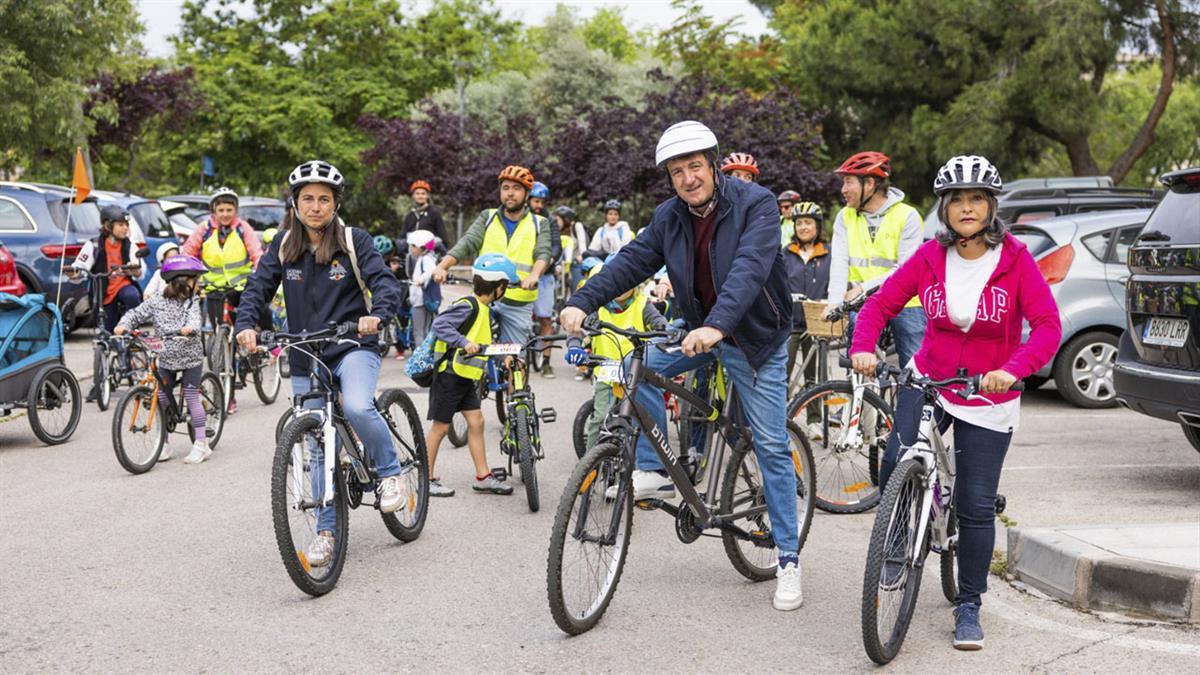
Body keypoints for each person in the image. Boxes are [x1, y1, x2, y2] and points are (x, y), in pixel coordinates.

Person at [560, 120, 803, 612]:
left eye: (695, 166)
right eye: (677, 171)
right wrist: (582, 301)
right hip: (697, 331)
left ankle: (788, 557)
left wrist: (718, 326)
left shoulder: (755, 204)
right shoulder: (670, 217)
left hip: (754, 337)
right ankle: (655, 467)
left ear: (713, 165)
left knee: (772, 444)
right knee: (639, 362)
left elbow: (750, 269)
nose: (688, 178)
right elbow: (631, 261)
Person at [850, 155, 1060, 651]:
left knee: (975, 504)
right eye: (957, 200)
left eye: (977, 199)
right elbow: (882, 302)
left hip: (989, 391)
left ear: (991, 207)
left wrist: (1013, 368)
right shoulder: (929, 257)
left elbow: (1048, 327)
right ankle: (898, 542)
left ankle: (969, 604)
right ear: (944, 209)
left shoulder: (1015, 260)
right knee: (895, 462)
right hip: (931, 375)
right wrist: (863, 345)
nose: (967, 207)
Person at [235, 160, 406, 568]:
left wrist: (377, 314)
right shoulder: (283, 245)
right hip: (305, 352)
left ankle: (390, 471)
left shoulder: (353, 240)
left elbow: (385, 283)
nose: (315, 207)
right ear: (294, 203)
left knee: (360, 406)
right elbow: (257, 287)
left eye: (323, 199)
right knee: (314, 445)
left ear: (335, 203)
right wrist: (245, 325)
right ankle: (325, 532)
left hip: (352, 344)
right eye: (307, 199)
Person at [423, 253, 518, 498]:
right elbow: (440, 325)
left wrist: (503, 356)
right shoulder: (469, 305)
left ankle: (483, 477)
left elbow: (486, 343)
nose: (505, 290)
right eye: (505, 286)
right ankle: (426, 478)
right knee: (440, 429)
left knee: (476, 422)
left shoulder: (485, 310)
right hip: (449, 375)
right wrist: (463, 342)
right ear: (498, 287)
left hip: (465, 377)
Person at [822, 151, 926, 369]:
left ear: (869, 183)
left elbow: (905, 270)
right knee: (858, 363)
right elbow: (839, 261)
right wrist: (834, 303)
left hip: (905, 301)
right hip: (863, 304)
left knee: (916, 372)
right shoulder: (845, 216)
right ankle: (861, 401)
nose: (843, 190)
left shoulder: (907, 216)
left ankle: (914, 399)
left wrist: (862, 288)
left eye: (848, 182)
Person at [431, 166, 553, 345]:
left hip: (518, 300)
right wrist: (443, 266)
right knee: (468, 349)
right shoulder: (487, 217)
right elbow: (467, 243)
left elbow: (543, 252)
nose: (510, 193)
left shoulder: (539, 223)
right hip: (484, 297)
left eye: (516, 189)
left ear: (527, 194)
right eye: (506, 188)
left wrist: (535, 275)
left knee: (513, 358)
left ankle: (514, 371)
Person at [115, 254, 210, 463]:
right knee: (163, 399)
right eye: (196, 279)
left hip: (189, 357)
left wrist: (190, 328)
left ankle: (202, 443)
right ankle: (163, 442)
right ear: (185, 281)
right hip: (166, 356)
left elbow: (195, 319)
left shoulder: (192, 301)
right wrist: (124, 325)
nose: (198, 283)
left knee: (192, 396)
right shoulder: (157, 300)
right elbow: (136, 313)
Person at [564, 259, 667, 451]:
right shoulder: (597, 307)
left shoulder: (643, 305)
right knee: (600, 418)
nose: (621, 286)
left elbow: (659, 324)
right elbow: (576, 330)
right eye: (616, 280)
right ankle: (590, 464)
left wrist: (664, 332)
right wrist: (575, 347)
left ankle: (648, 462)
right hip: (607, 373)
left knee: (645, 419)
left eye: (626, 280)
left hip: (637, 373)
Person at [180, 186, 265, 415]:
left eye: (229, 209)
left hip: (240, 288)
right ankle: (227, 394)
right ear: (213, 211)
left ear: (235, 210)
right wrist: (184, 274)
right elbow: (188, 252)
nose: (225, 214)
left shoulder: (242, 229)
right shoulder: (204, 230)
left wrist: (261, 276)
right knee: (220, 338)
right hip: (214, 288)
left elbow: (256, 254)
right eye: (221, 209)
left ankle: (254, 345)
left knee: (243, 327)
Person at [71, 204, 144, 333]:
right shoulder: (93, 245)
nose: (125, 228)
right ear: (107, 226)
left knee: (132, 295)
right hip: (103, 292)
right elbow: (81, 265)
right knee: (107, 333)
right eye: (121, 225)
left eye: (127, 225)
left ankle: (133, 329)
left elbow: (141, 270)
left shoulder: (130, 246)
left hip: (123, 287)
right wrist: (75, 273)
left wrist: (135, 270)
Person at [783, 202, 831, 381]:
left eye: (808, 222)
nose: (803, 227)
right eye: (799, 223)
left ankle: (815, 410)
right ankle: (782, 409)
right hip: (791, 324)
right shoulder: (786, 253)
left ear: (817, 225)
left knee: (815, 378)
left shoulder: (829, 253)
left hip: (818, 323)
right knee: (783, 375)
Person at [529, 181, 562, 379]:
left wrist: (548, 260)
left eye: (541, 202)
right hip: (522, 275)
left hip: (545, 276)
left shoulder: (549, 220)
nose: (538, 205)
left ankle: (547, 362)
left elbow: (556, 245)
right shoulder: (521, 219)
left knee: (546, 319)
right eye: (535, 201)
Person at [407, 229, 440, 348]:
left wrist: (419, 280)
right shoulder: (426, 258)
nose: (411, 249)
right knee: (425, 331)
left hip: (420, 301)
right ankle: (426, 359)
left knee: (418, 333)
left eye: (413, 246)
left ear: (421, 247)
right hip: (423, 300)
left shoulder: (426, 259)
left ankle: (420, 360)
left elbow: (430, 271)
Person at [400, 180, 448, 244]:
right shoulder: (410, 216)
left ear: (427, 196)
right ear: (413, 196)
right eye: (417, 194)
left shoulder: (434, 213)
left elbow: (443, 238)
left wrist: (426, 247)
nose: (420, 196)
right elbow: (402, 237)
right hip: (412, 251)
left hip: (431, 251)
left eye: (423, 193)